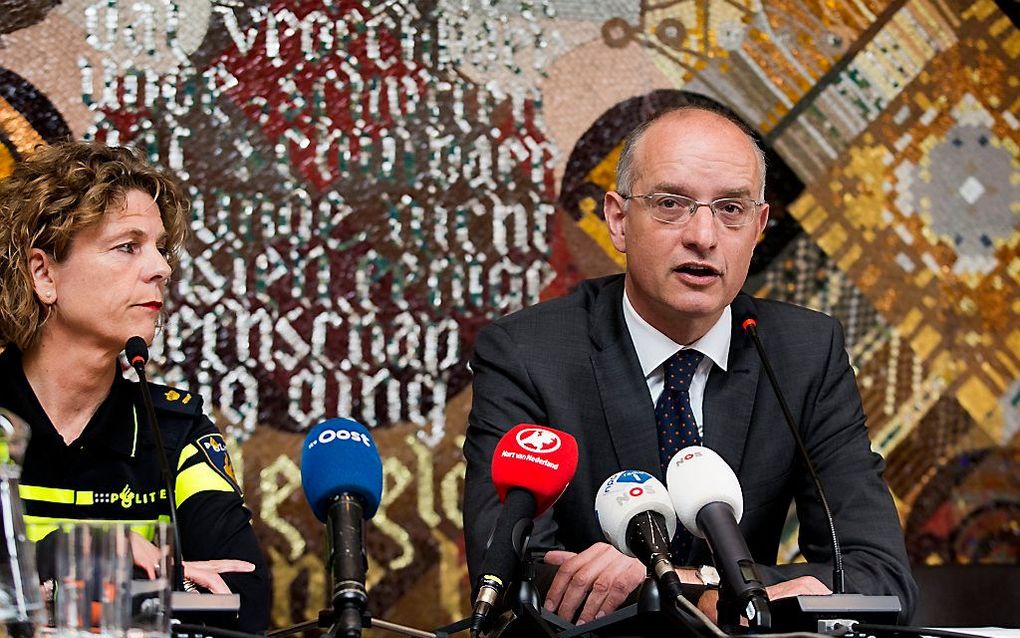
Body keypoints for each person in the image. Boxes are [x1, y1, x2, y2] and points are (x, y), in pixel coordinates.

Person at [463, 105, 917, 626]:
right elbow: (508, 574)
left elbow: (879, 577)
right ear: (618, 220)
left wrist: (689, 583)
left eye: (731, 209)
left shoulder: (804, 352)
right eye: (672, 203)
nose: (704, 236)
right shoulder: (528, 353)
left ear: (758, 227)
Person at [0, 141, 270, 632]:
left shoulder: (177, 431)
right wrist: (95, 561)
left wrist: (60, 589)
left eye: (161, 249)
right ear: (44, 274)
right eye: (128, 246)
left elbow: (239, 607)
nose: (162, 268)